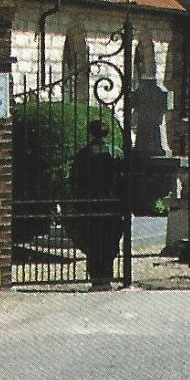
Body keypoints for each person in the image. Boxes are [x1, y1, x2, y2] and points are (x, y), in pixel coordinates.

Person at [68, 119, 125, 290]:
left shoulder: (84, 154)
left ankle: (96, 278)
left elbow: (76, 180)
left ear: (90, 134)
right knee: (110, 241)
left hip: (90, 203)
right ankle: (107, 277)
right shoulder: (116, 153)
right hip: (112, 204)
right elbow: (122, 179)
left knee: (93, 242)